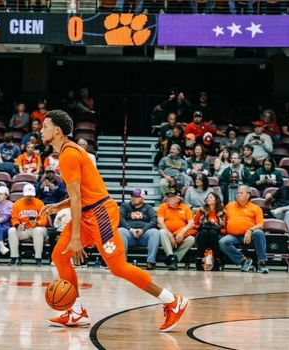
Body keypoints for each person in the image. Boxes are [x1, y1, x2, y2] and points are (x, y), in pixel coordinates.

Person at [39, 110, 188, 331]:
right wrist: (59, 206)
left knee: (118, 268)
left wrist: (77, 237)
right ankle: (77, 312)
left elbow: (79, 199)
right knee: (60, 256)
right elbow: (81, 194)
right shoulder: (68, 152)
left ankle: (172, 301)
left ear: (57, 130)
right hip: (89, 211)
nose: (41, 130)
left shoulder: (68, 155)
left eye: (45, 126)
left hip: (100, 214)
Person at [220, 186, 269, 273]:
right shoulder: (229, 206)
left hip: (250, 236)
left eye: (241, 193)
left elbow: (260, 225)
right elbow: (224, 222)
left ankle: (261, 262)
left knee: (259, 233)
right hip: (233, 236)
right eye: (238, 193)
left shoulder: (256, 208)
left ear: (248, 195)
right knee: (223, 242)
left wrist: (250, 230)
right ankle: (243, 261)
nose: (238, 195)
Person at [119, 189, 160, 270]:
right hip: (129, 235)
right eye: (133, 196)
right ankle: (122, 261)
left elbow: (154, 220)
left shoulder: (148, 208)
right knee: (121, 231)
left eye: (137, 197)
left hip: (144, 236)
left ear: (142, 198)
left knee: (155, 232)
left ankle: (150, 262)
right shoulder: (125, 206)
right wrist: (130, 229)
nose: (133, 198)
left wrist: (143, 230)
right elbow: (121, 219)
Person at [8, 184, 48, 266]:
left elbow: (44, 220)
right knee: (11, 230)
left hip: (38, 228)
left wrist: (37, 223)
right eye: (27, 196)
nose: (29, 197)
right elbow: (14, 219)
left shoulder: (40, 203)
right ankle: (14, 258)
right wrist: (17, 225)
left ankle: (38, 258)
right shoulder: (17, 204)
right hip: (24, 229)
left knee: (37, 230)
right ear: (23, 194)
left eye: (31, 196)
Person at [158, 187, 195, 271]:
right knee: (162, 231)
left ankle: (172, 259)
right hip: (167, 236)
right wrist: (170, 235)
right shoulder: (163, 206)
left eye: (172, 197)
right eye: (168, 196)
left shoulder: (185, 208)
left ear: (179, 198)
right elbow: (160, 222)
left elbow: (191, 223)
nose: (169, 199)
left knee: (191, 239)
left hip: (181, 236)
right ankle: (171, 256)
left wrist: (182, 232)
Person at [194, 192, 226, 271]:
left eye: (211, 197)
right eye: (208, 197)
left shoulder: (222, 212)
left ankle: (217, 260)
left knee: (212, 232)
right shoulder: (201, 210)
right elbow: (194, 225)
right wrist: (202, 225)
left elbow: (225, 229)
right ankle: (199, 259)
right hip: (203, 235)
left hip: (216, 235)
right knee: (205, 231)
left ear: (216, 200)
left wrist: (216, 228)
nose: (208, 199)